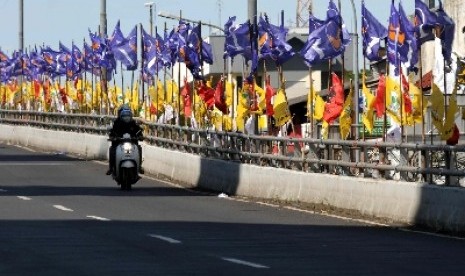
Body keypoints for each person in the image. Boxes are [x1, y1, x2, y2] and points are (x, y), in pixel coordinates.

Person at [106, 105, 144, 175]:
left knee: (139, 148)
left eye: (127, 115)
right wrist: (112, 137)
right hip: (119, 143)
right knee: (112, 149)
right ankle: (111, 167)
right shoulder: (117, 123)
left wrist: (140, 136)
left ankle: (139, 166)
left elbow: (138, 131)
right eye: (124, 115)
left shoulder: (133, 123)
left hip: (132, 143)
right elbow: (112, 131)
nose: (126, 117)